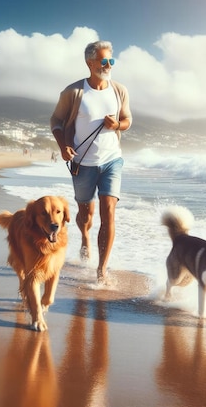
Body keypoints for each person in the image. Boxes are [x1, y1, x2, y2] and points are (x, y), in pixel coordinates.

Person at [50, 40, 132, 284]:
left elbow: (127, 120)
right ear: (90, 63)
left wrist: (117, 125)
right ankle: (85, 237)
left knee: (108, 211)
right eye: (103, 61)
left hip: (112, 160)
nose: (108, 65)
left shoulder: (119, 90)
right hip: (83, 163)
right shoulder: (74, 92)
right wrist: (62, 145)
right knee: (86, 214)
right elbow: (56, 120)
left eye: (111, 61)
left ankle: (101, 270)